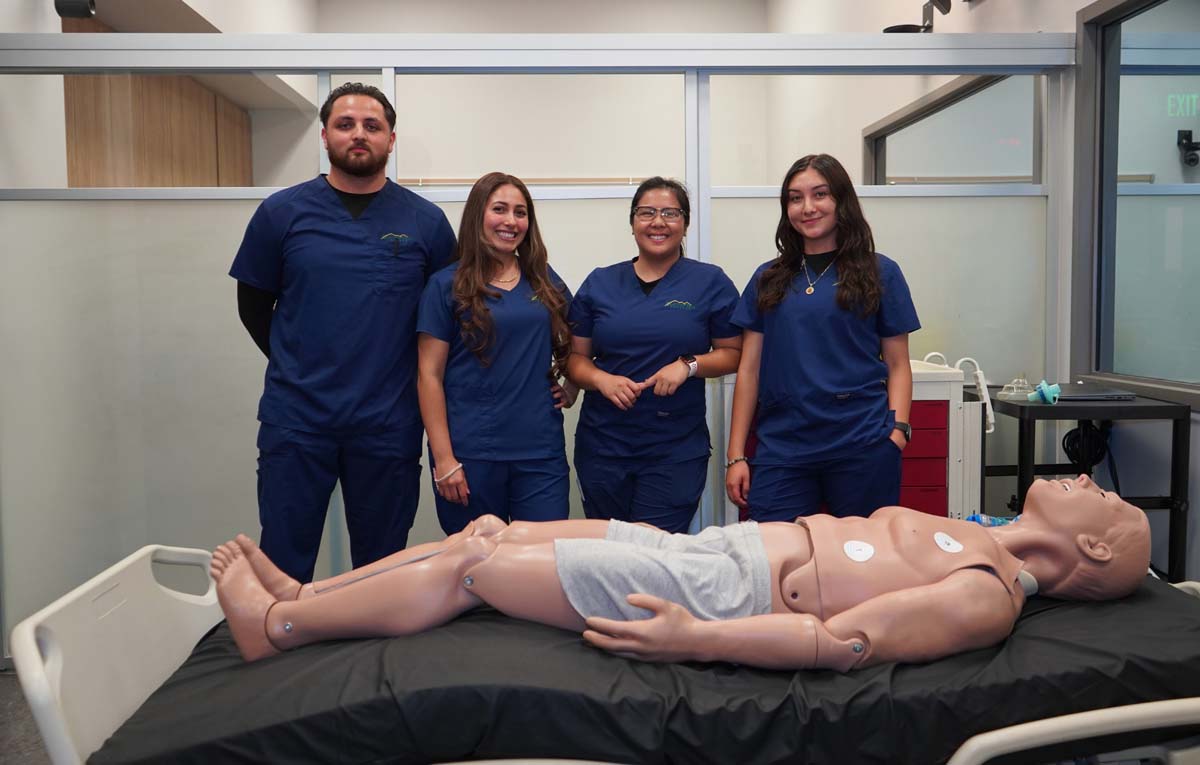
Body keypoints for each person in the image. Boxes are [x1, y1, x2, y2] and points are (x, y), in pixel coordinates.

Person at [212, 474, 1151, 670]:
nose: (1079, 476)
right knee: (495, 528)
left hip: (722, 591)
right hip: (713, 545)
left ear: (1098, 549)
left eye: (1097, 495)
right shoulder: (977, 532)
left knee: (475, 566)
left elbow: (840, 642)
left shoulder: (986, 597)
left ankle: (279, 629)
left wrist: (692, 636)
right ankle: (307, 593)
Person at [228, 83, 457, 583]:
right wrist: (300, 362)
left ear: (391, 140)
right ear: (325, 135)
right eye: (346, 124)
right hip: (298, 419)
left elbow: (447, 320)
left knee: (379, 568)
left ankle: (368, 663)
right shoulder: (281, 213)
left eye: (372, 126)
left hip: (387, 421)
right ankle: (284, 655)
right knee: (284, 564)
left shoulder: (427, 223)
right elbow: (252, 306)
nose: (359, 135)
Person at [725, 154, 920, 522]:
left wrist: (897, 433)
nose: (807, 207)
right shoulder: (769, 277)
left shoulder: (880, 272)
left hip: (861, 443)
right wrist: (736, 455)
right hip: (784, 445)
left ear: (841, 201)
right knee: (775, 557)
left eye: (820, 194)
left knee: (863, 557)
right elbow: (748, 371)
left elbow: (898, 364)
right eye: (795, 198)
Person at [566, 178, 741, 533]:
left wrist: (688, 366)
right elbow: (574, 360)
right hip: (604, 447)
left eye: (670, 213)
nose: (657, 222)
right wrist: (600, 379)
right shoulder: (600, 283)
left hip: (674, 449)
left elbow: (734, 354)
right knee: (608, 552)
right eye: (646, 213)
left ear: (685, 223)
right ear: (632, 223)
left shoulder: (710, 282)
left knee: (656, 553)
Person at [416, 172, 575, 535]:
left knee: (539, 565)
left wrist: (572, 387)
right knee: (476, 571)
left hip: (539, 452)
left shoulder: (543, 279)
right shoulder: (446, 285)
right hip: (471, 454)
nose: (511, 221)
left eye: (521, 213)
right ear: (478, 216)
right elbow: (429, 375)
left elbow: (580, 338)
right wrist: (444, 459)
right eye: (499, 209)